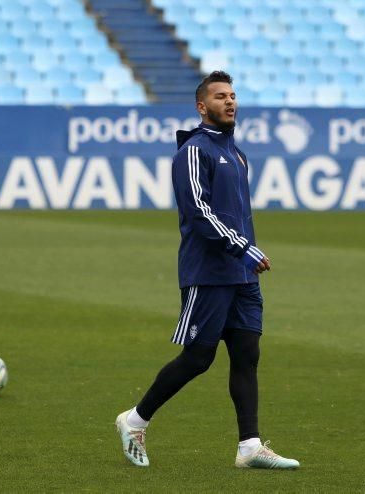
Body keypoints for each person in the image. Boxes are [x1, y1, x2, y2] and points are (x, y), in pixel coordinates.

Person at [115, 71, 299, 469]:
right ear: (202, 106)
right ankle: (134, 420)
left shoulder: (237, 153)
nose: (230, 102)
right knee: (199, 358)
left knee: (247, 352)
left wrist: (246, 256)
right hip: (209, 272)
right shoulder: (194, 151)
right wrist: (243, 248)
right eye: (220, 96)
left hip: (241, 274)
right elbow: (199, 213)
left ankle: (249, 447)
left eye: (233, 95)